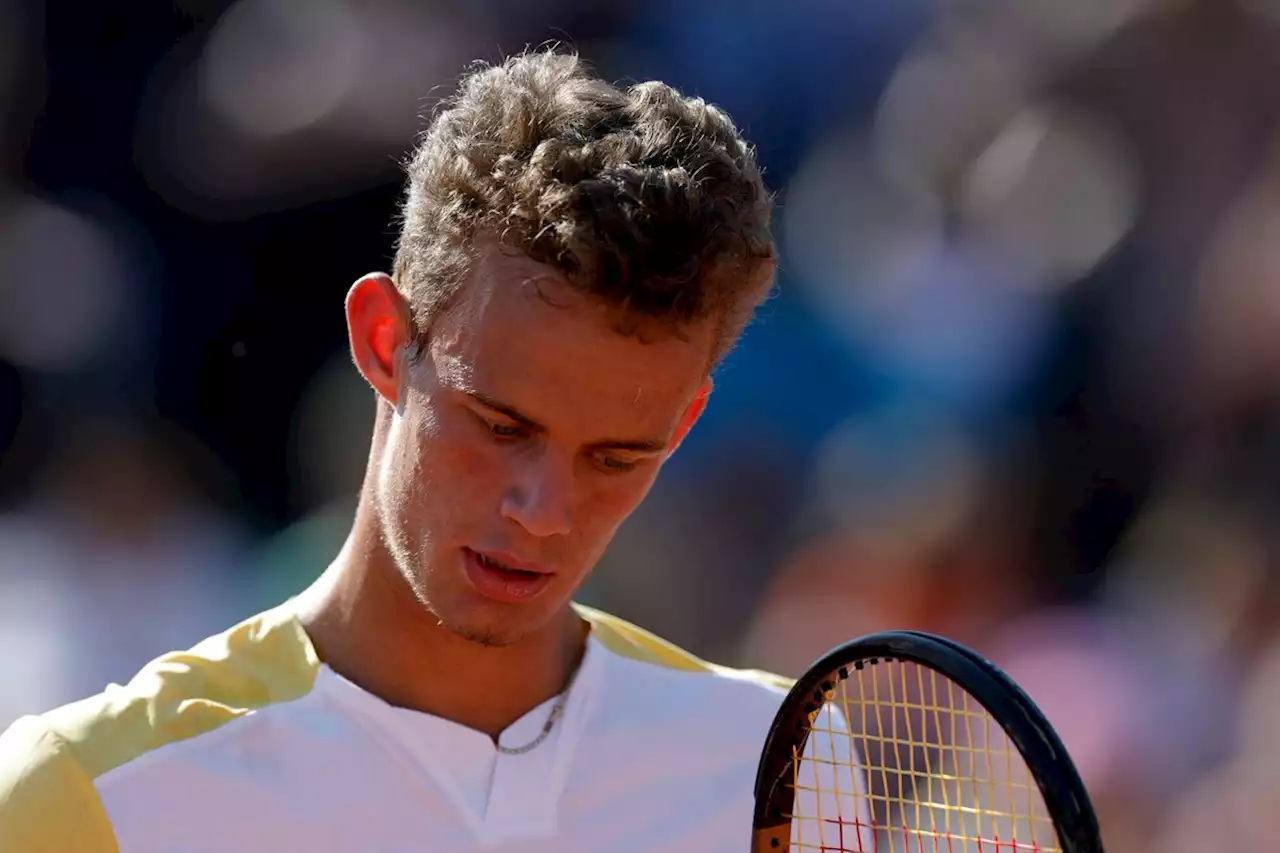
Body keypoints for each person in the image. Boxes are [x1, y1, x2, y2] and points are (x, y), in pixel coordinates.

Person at [0, 48, 794, 851]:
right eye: (501, 425)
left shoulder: (785, 767)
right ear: (384, 340)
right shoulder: (90, 793)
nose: (544, 513)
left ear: (683, 423)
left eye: (616, 458)